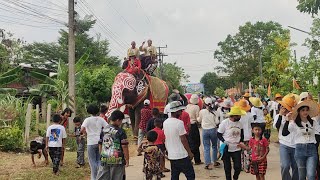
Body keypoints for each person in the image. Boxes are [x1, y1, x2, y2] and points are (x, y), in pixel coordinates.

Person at [283, 100, 320, 180]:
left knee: (311, 175)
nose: (305, 112)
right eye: (303, 110)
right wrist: (287, 120)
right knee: (302, 176)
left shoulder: (313, 122)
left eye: (307, 110)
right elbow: (284, 133)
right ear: (299, 112)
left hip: (312, 150)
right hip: (300, 150)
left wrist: (315, 145)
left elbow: (318, 134)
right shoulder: (294, 123)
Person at [163, 101, 195, 180]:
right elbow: (183, 139)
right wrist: (189, 152)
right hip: (181, 154)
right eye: (180, 110)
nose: (181, 112)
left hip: (172, 155)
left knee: (174, 176)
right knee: (190, 175)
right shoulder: (179, 123)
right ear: (176, 111)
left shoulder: (165, 122)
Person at [97, 110, 129, 180]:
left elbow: (100, 144)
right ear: (118, 120)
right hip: (117, 159)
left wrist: (101, 155)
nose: (121, 123)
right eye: (121, 121)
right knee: (117, 177)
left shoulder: (104, 130)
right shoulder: (121, 131)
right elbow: (124, 146)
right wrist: (127, 159)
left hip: (105, 158)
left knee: (103, 177)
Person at [273, 94, 299, 180]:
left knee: (296, 167)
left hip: (295, 145)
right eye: (282, 107)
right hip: (284, 144)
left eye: (285, 107)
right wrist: (280, 115)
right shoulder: (278, 116)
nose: (284, 109)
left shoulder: (295, 116)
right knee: (285, 166)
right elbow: (277, 126)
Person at [81, 104, 108, 180]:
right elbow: (107, 127)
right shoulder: (101, 119)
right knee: (99, 160)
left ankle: (94, 178)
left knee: (92, 162)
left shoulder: (87, 120)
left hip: (91, 142)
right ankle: (100, 177)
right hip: (100, 142)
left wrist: (85, 134)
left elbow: (82, 129)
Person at [217, 106, 245, 180]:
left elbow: (242, 134)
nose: (240, 117)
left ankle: (235, 177)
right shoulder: (225, 123)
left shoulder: (240, 124)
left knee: (238, 167)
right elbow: (219, 134)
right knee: (227, 167)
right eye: (238, 115)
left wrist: (241, 142)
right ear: (234, 116)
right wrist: (224, 141)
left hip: (236, 148)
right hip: (227, 147)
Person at [198, 97, 220, 170]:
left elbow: (199, 120)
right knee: (214, 146)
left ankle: (208, 163)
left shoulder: (202, 111)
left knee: (206, 147)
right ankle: (215, 161)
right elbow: (217, 122)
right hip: (213, 130)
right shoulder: (215, 112)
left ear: (204, 104)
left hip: (205, 130)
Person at [235, 99, 253, 173]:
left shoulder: (239, 116)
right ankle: (247, 166)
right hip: (249, 135)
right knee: (248, 151)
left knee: (240, 151)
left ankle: (241, 166)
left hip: (240, 135)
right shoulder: (250, 115)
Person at [185, 94, 203, 165]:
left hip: (187, 125)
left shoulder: (187, 107)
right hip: (193, 125)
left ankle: (189, 159)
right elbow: (197, 118)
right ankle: (197, 160)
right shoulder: (196, 107)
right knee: (196, 142)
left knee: (189, 142)